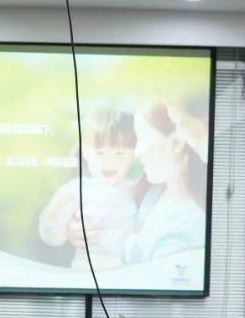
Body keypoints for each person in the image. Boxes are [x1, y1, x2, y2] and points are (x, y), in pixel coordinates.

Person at [39, 106, 139, 270]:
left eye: (119, 153)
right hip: (86, 272)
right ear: (85, 152)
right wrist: (56, 213)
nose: (109, 161)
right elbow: (52, 238)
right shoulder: (76, 190)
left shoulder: (135, 189)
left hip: (126, 273)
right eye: (100, 153)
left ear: (133, 154)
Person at [121, 102, 208, 264]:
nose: (137, 152)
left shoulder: (190, 223)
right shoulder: (152, 192)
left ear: (177, 143)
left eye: (142, 138)